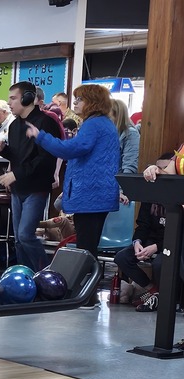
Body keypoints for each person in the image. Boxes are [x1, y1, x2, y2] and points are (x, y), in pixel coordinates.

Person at [26, 84, 120, 260]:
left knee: (86, 249)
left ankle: (86, 285)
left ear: (92, 102)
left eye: (79, 99)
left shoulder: (94, 124)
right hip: (96, 195)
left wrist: (41, 136)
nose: (75, 103)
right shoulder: (102, 123)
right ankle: (87, 284)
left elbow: (70, 149)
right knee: (87, 246)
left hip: (91, 195)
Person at [0, 82, 63, 272]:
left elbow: (46, 159)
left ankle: (46, 273)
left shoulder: (46, 122)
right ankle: (25, 275)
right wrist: (5, 152)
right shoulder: (15, 125)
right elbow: (20, 157)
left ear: (27, 98)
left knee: (25, 235)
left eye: (13, 98)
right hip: (19, 188)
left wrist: (16, 174)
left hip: (36, 187)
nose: (9, 103)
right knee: (18, 239)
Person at [113, 153, 175, 312]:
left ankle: (165, 297)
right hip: (149, 241)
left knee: (160, 263)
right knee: (122, 257)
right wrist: (137, 242)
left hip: (171, 242)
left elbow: (178, 232)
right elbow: (142, 225)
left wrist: (157, 247)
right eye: (158, 169)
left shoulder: (177, 197)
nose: (160, 173)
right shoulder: (150, 194)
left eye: (164, 170)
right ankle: (153, 290)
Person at [110, 99, 140, 175]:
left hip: (117, 183)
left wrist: (122, 186)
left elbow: (130, 166)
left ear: (117, 115)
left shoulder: (130, 133)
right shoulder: (108, 133)